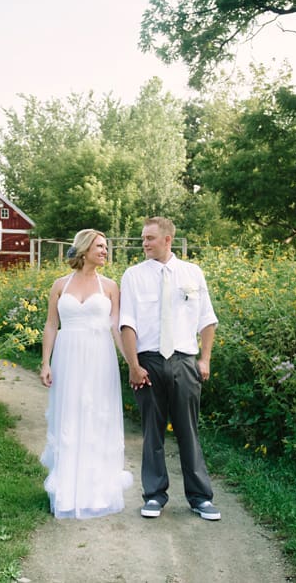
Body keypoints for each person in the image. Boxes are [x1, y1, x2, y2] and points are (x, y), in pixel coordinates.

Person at [119, 216, 221, 521]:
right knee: (152, 432)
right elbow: (127, 323)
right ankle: (154, 495)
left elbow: (207, 319)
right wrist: (134, 366)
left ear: (167, 240)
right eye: (142, 238)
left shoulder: (192, 273)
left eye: (150, 238)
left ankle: (200, 497)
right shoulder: (133, 275)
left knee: (188, 431)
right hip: (148, 362)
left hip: (185, 361)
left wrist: (205, 359)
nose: (144, 244)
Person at [39, 229, 134, 519]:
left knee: (97, 416)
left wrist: (132, 362)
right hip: (67, 357)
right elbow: (51, 325)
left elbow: (117, 328)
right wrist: (46, 362)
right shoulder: (59, 285)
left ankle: (97, 490)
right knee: (69, 416)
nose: (105, 251)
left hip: (99, 357)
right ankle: (67, 492)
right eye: (100, 246)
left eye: (106, 247)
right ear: (84, 249)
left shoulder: (110, 286)